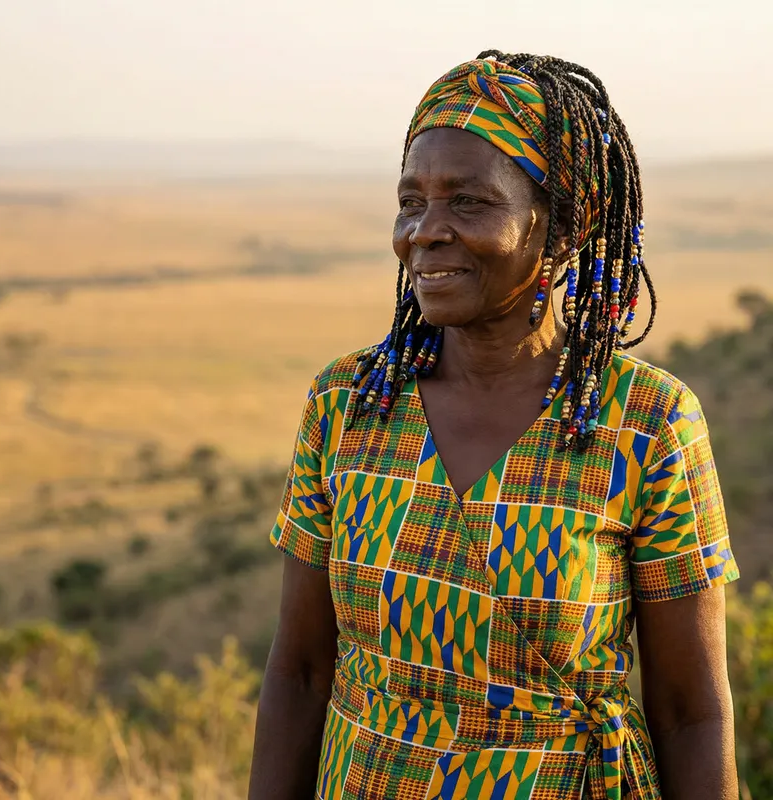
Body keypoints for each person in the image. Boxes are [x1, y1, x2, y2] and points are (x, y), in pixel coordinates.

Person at [249, 52, 740, 800]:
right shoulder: (349, 404)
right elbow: (301, 671)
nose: (426, 231)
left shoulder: (646, 425)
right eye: (411, 200)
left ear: (565, 227)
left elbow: (688, 712)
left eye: (469, 203)